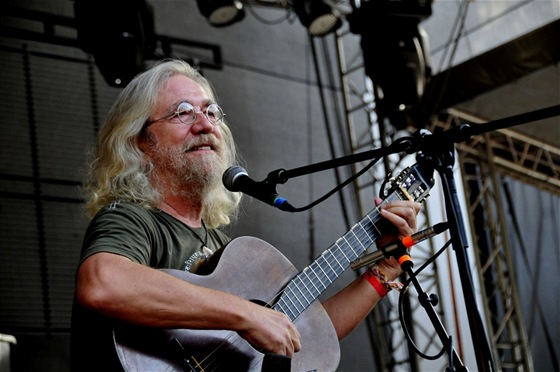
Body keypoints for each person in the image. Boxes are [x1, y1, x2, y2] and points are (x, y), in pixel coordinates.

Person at [70, 59, 420, 371]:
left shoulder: (220, 248)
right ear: (141, 141)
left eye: (211, 112)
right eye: (182, 112)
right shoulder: (132, 219)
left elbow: (308, 335)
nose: (205, 124)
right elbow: (103, 283)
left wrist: (383, 271)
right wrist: (246, 314)